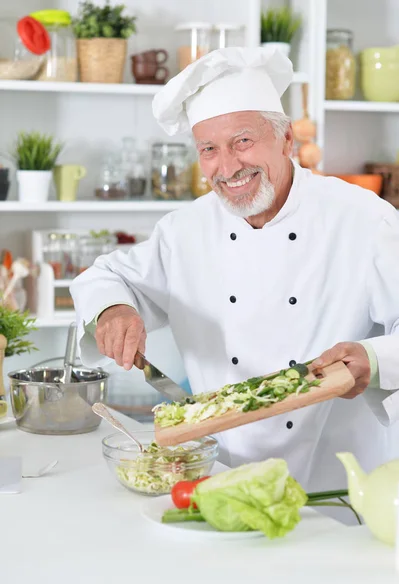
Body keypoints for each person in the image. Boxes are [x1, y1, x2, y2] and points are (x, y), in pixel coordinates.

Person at [71, 47, 399, 501]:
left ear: (286, 140)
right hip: (218, 479)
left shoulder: (365, 220)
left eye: (242, 141)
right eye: (209, 149)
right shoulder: (184, 229)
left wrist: (375, 357)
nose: (226, 167)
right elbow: (105, 276)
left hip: (336, 487)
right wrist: (113, 310)